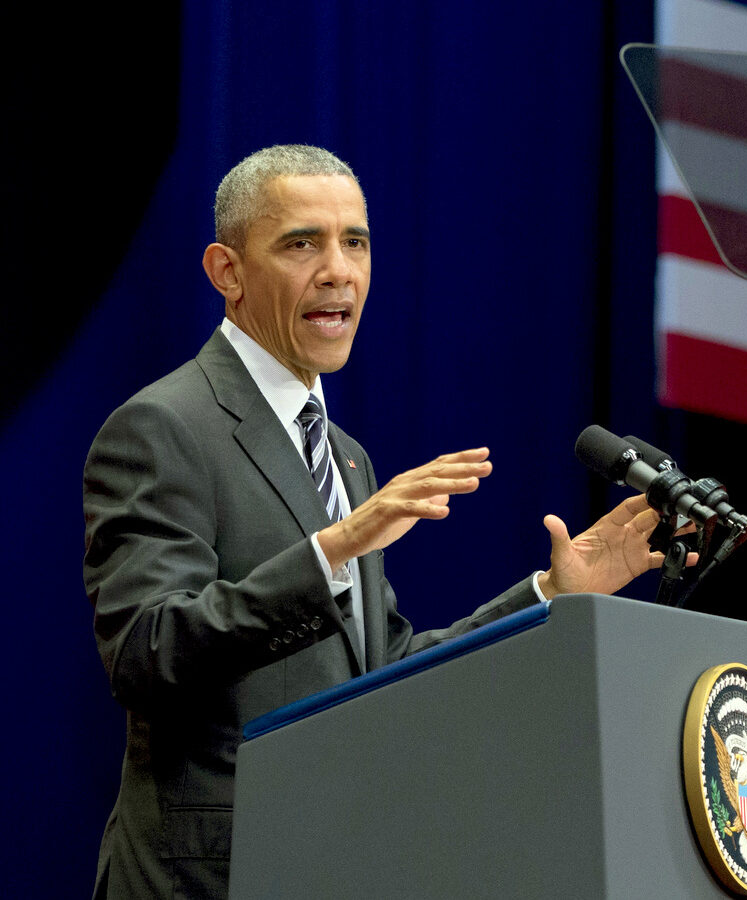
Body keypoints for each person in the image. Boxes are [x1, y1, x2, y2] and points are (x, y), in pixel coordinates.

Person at [82, 144, 674, 899]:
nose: (339, 270)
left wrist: (548, 595)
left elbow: (384, 674)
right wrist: (333, 547)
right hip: (209, 876)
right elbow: (147, 651)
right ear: (227, 272)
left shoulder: (343, 456)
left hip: (335, 858)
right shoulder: (163, 426)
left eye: (355, 242)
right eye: (302, 243)